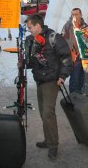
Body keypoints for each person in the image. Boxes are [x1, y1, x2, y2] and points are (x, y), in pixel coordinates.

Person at [25, 13, 73, 160]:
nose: (29, 30)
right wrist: (26, 56)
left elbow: (66, 58)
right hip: (40, 80)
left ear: (38, 25)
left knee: (47, 113)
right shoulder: (31, 39)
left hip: (52, 81)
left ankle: (53, 145)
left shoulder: (54, 37)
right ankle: (48, 139)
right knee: (43, 113)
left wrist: (62, 76)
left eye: (30, 27)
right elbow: (30, 63)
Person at [62, 8, 87, 93]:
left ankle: (80, 98)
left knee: (82, 80)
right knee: (74, 79)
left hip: (84, 57)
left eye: (76, 14)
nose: (74, 16)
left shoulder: (85, 26)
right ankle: (73, 99)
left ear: (81, 14)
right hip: (74, 58)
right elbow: (62, 39)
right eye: (73, 14)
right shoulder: (68, 25)